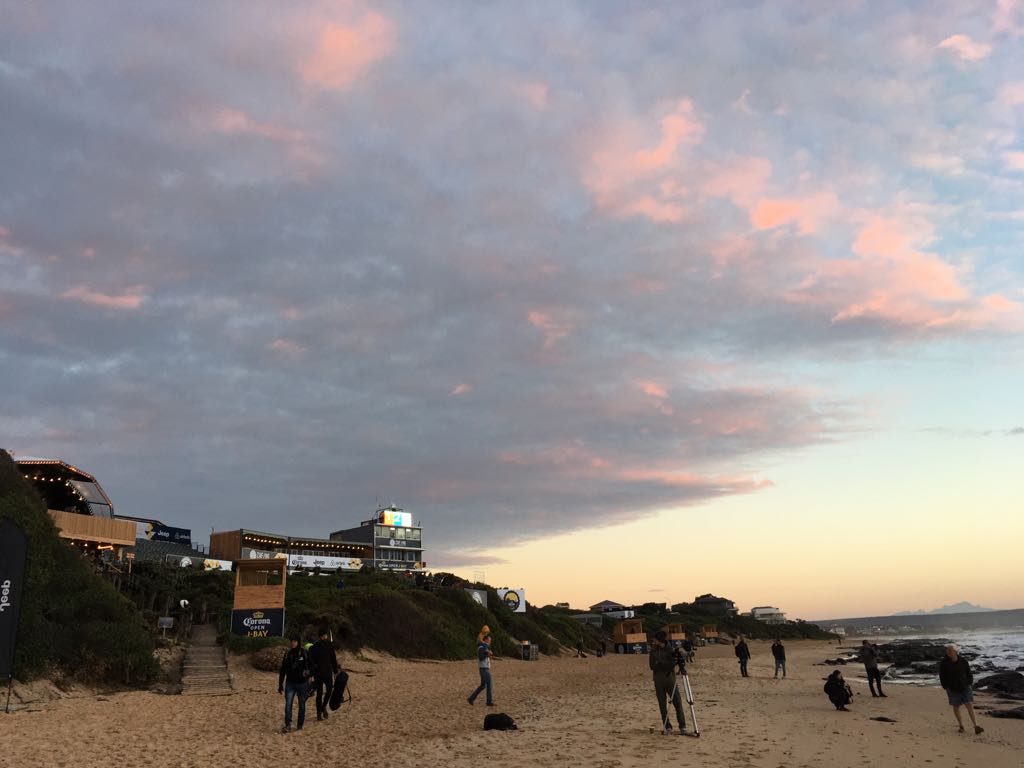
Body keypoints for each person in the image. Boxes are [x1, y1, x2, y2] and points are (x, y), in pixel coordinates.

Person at [939, 644, 984, 735]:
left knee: (969, 705)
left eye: (950, 650)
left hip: (965, 687)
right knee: (956, 707)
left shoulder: (963, 661)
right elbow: (942, 676)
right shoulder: (944, 663)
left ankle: (976, 726)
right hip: (952, 688)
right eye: (947, 651)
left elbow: (969, 673)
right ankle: (961, 725)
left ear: (956, 651)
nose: (948, 652)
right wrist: (945, 686)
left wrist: (969, 683)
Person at [649, 630, 688, 734]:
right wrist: (664, 664)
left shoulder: (671, 650)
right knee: (662, 705)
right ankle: (667, 726)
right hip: (658, 680)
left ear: (660, 640)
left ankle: (682, 726)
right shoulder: (653, 651)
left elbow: (672, 664)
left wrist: (661, 663)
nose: (654, 641)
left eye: (655, 640)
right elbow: (652, 666)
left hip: (670, 679)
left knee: (677, 703)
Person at [278, 634, 313, 733]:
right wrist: (280, 684)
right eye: (292, 641)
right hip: (290, 683)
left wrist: (309, 674)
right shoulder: (288, 654)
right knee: (288, 704)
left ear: (298, 642)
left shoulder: (304, 653)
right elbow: (283, 670)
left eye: (295, 641)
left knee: (302, 705)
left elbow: (313, 666)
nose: (293, 643)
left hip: (302, 684)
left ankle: (300, 725)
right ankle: (288, 725)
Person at [308, 628, 340, 722]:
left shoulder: (329, 645)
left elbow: (333, 658)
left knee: (329, 690)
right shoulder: (314, 647)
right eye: (325, 635)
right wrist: (312, 672)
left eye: (326, 635)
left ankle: (323, 707)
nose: (326, 636)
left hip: (328, 673)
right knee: (319, 694)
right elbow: (311, 661)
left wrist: (335, 671)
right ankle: (318, 713)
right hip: (318, 674)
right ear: (321, 636)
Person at [467, 632, 494, 706]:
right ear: (485, 640)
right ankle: (489, 701)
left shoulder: (485, 648)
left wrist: (488, 654)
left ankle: (471, 698)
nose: (490, 642)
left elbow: (485, 657)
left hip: (485, 668)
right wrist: (487, 654)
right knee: (489, 684)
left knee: (483, 685)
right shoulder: (481, 648)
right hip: (483, 669)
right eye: (489, 640)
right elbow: (481, 658)